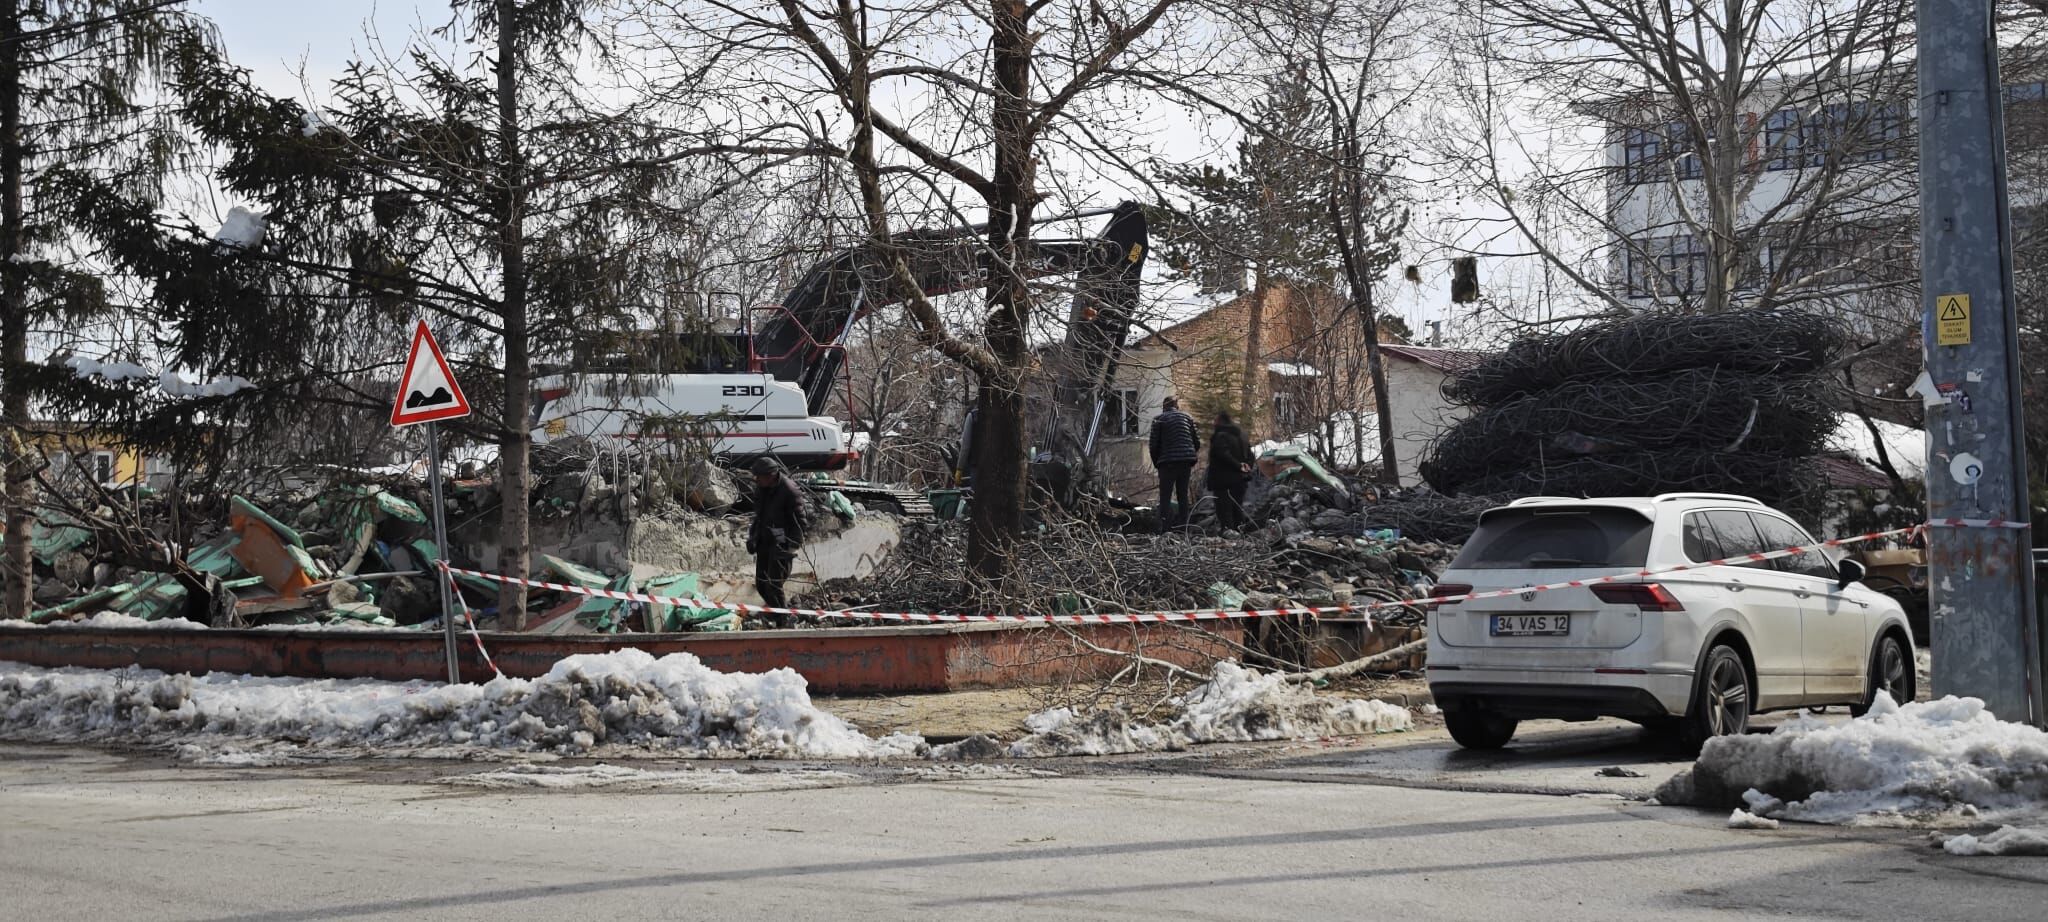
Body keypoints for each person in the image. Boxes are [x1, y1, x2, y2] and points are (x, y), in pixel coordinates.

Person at [745, 457, 808, 616]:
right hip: (765, 540)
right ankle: (779, 614)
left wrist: (790, 546)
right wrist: (753, 536)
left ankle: (783, 621)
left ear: (771, 475)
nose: (756, 480)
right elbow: (760, 516)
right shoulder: (762, 488)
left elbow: (800, 522)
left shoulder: (789, 491)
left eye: (759, 476)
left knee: (774, 585)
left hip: (782, 543)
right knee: (761, 584)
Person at [1147, 395, 1201, 532]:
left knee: (1165, 495)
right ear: (1177, 406)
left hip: (1167, 463)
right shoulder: (1187, 418)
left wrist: (1157, 463)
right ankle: (1184, 528)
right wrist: (1189, 455)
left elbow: (1153, 445)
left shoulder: (1159, 420)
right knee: (1182, 495)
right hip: (1185, 461)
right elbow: (1196, 442)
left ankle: (1165, 529)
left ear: (1164, 407)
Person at [1206, 411, 1253, 532]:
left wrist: (1237, 466)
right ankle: (1240, 539)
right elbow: (1250, 455)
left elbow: (1222, 454)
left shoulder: (1221, 435)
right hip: (1240, 481)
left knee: (1224, 511)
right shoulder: (1242, 435)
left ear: (1220, 421)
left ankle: (1229, 538)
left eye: (1215, 420)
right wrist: (1246, 466)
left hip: (1223, 482)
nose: (1213, 423)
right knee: (1237, 509)